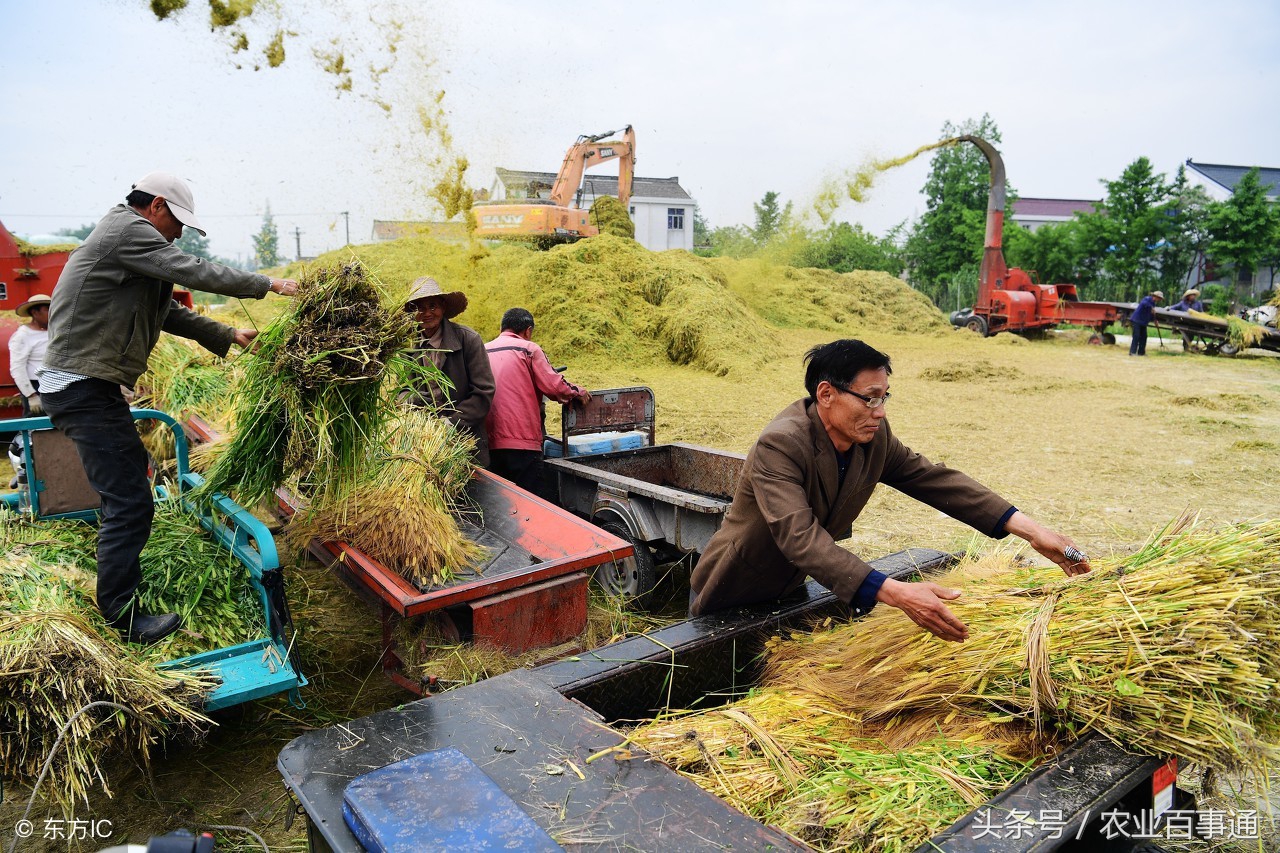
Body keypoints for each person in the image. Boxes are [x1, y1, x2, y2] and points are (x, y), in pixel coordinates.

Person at [39, 171, 299, 644]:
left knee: (130, 485)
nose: (179, 234)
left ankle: (119, 592)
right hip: (82, 385)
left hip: (88, 385)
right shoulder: (126, 230)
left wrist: (227, 335)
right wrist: (269, 284)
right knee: (130, 500)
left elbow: (168, 311)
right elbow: (193, 271)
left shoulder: (134, 250)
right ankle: (121, 614)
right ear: (156, 205)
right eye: (178, 223)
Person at [689, 339, 1092, 641]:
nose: (879, 412)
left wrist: (1032, 530)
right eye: (868, 399)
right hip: (733, 589)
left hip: (794, 587)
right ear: (826, 394)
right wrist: (898, 593)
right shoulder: (780, 444)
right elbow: (800, 539)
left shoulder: (873, 439)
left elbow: (934, 480)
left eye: (884, 398)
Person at [484, 307, 590, 497]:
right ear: (528, 330)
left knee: (501, 502)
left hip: (488, 442)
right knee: (531, 502)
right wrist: (577, 392)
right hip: (522, 442)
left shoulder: (483, 350)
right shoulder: (528, 349)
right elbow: (554, 386)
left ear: (502, 328)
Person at [402, 277, 495, 467]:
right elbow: (401, 392)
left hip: (466, 442)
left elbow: (483, 392)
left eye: (432, 306)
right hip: (425, 446)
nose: (427, 313)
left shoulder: (468, 339)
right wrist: (414, 398)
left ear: (443, 307)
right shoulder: (409, 347)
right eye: (419, 308)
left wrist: (452, 423)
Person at [9, 293, 51, 416]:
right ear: (35, 312)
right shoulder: (23, 335)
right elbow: (17, 368)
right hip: (36, 386)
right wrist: (31, 395)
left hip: (55, 385)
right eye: (47, 310)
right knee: (37, 428)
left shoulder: (54, 331)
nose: (52, 313)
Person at [1129, 290, 1164, 356]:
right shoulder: (1147, 299)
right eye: (1159, 298)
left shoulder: (1153, 303)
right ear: (1155, 296)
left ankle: (1141, 352)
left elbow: (1150, 314)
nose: (1159, 300)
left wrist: (1154, 320)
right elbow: (1144, 304)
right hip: (1137, 320)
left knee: (1144, 337)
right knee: (1136, 336)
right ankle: (1132, 352)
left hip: (1143, 322)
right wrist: (1151, 307)